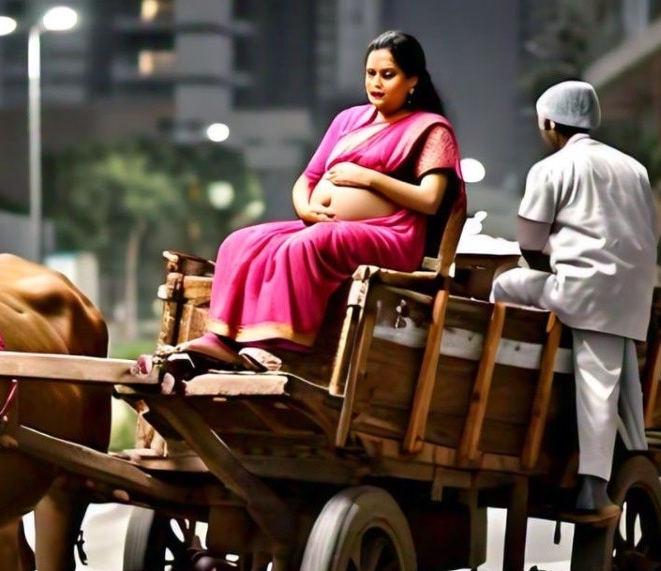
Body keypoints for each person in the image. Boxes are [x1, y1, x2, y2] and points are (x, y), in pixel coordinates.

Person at [171, 30, 465, 371]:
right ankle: (222, 338)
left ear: (412, 80)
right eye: (371, 74)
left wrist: (368, 178)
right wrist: (305, 208)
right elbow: (309, 178)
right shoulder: (347, 120)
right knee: (240, 241)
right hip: (327, 223)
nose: (377, 83)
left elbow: (430, 201)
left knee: (310, 244)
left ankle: (276, 345)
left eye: (389, 75)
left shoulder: (431, 128)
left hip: (392, 235)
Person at [491, 81, 659, 520]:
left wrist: (549, 260)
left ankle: (508, 371)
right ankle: (631, 457)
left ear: (549, 122)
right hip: (633, 297)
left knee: (505, 284)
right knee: (617, 382)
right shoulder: (635, 169)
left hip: (580, 292)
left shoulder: (551, 168)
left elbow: (529, 241)